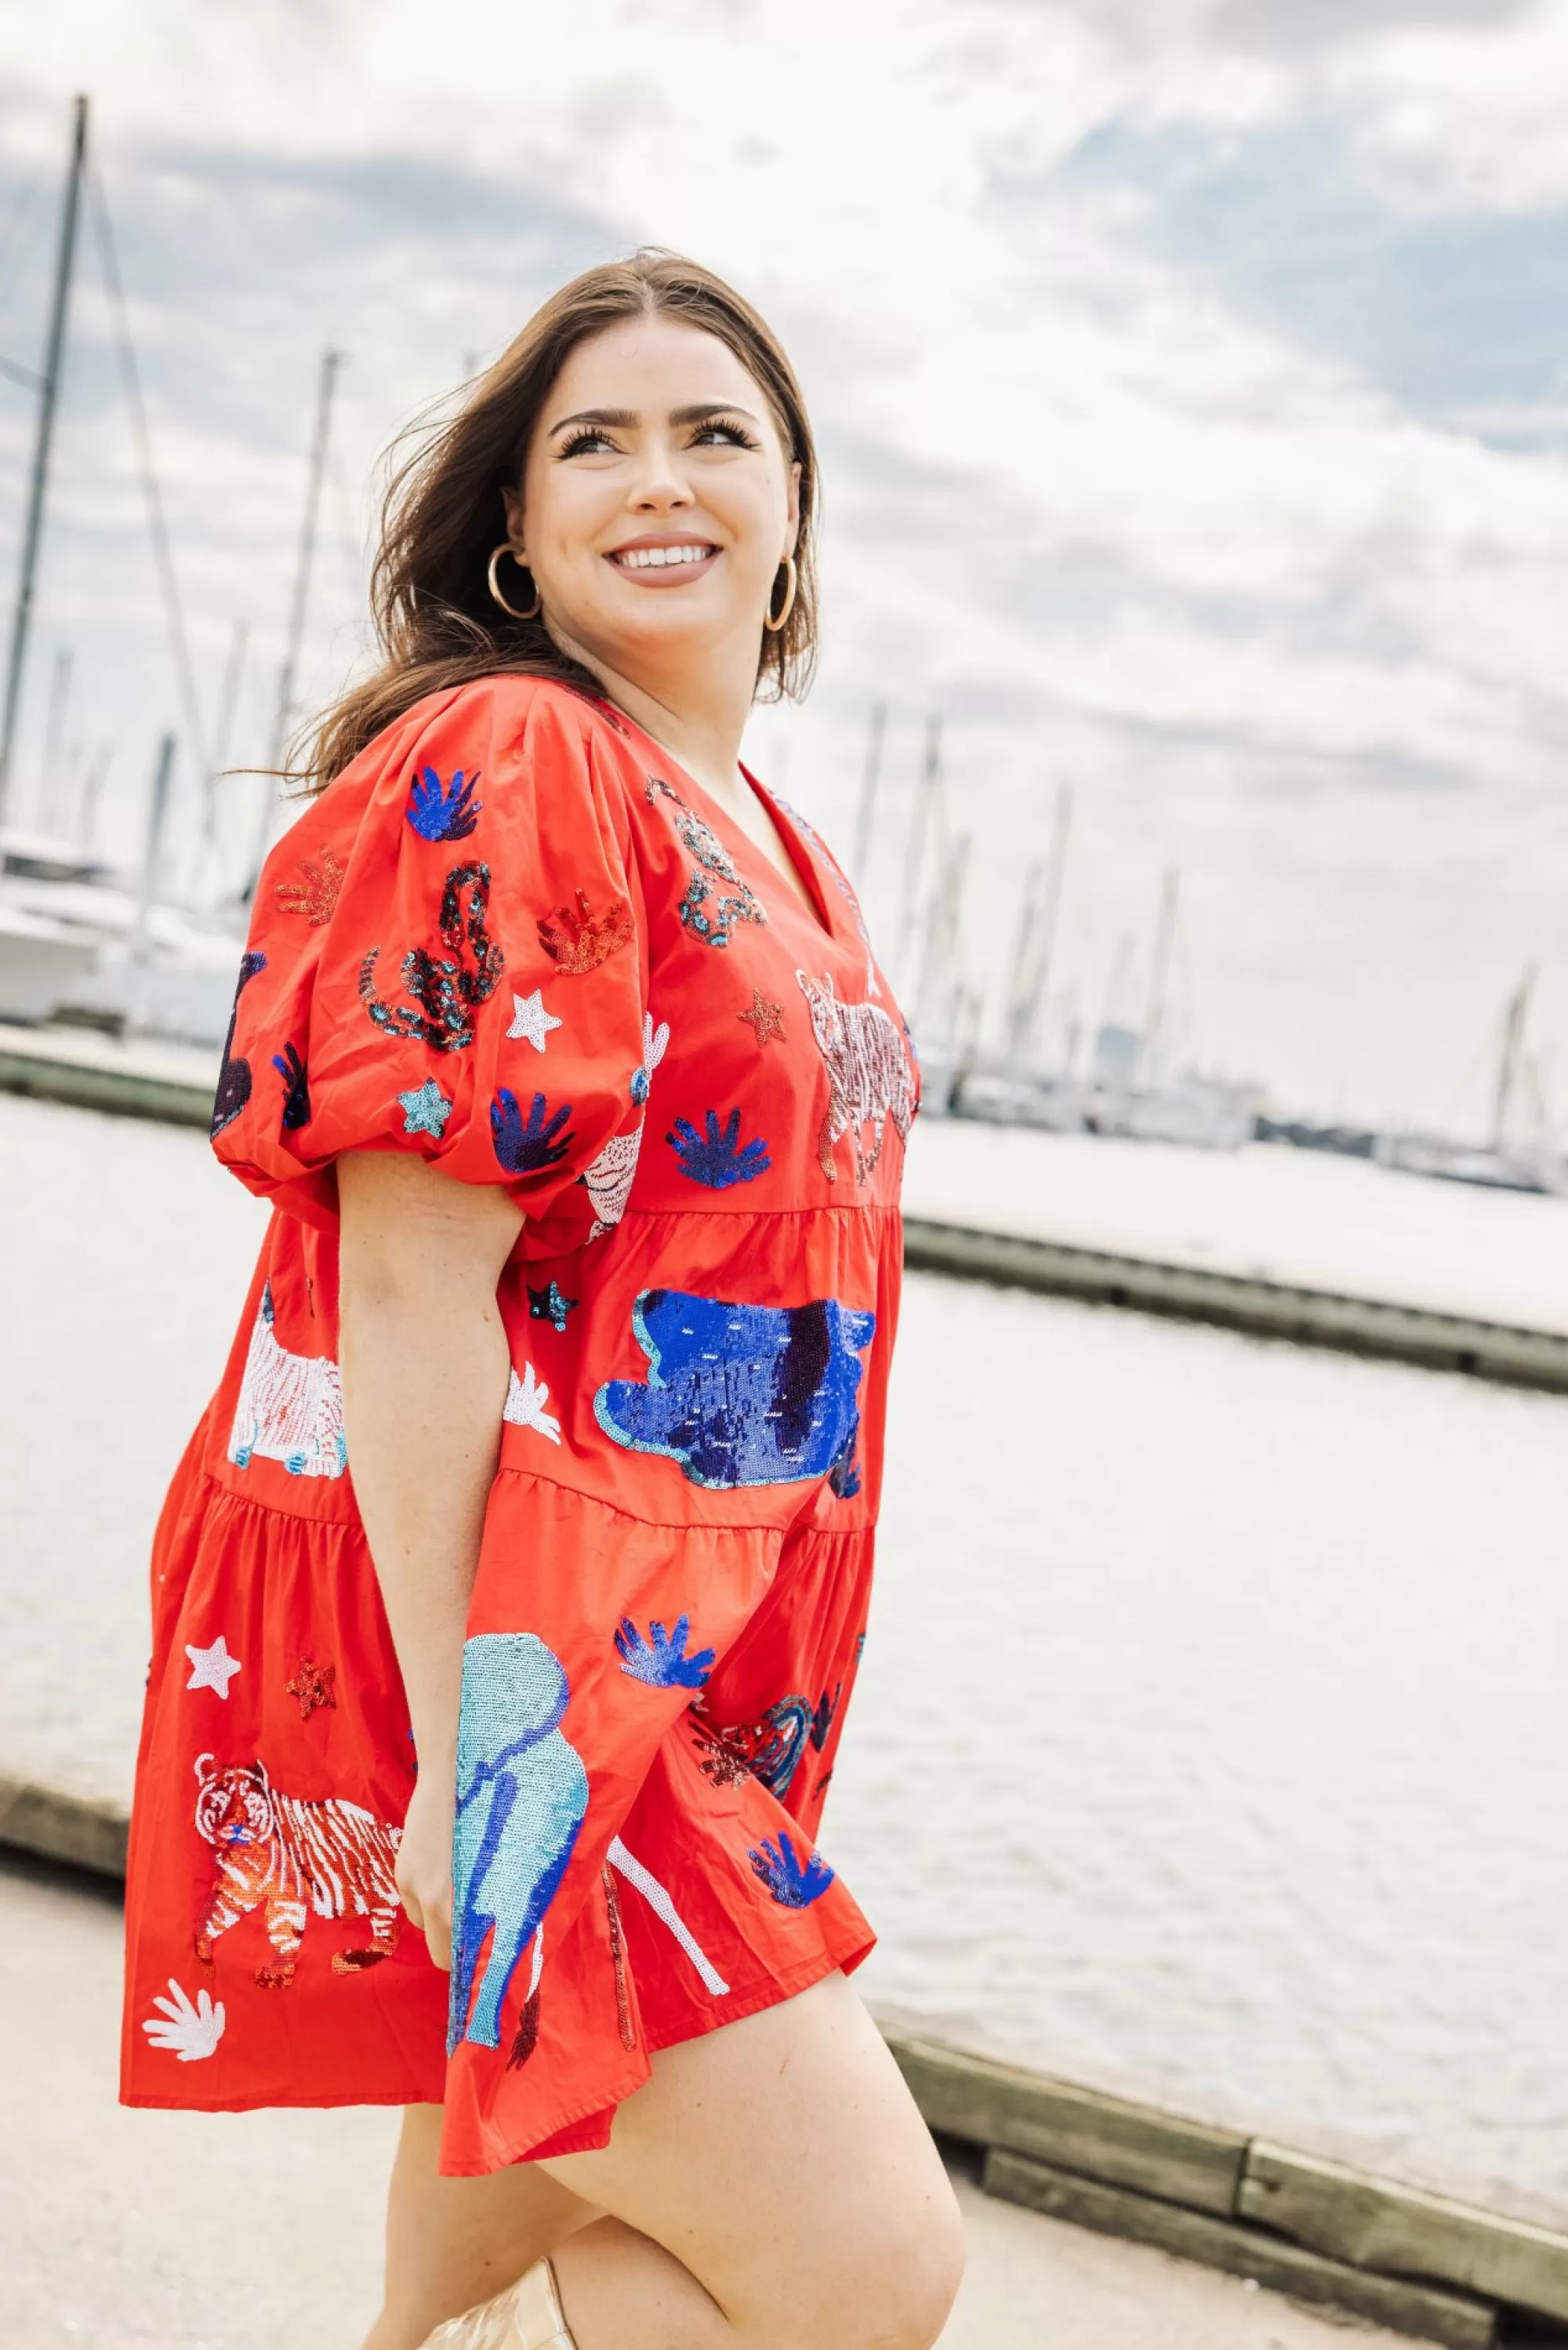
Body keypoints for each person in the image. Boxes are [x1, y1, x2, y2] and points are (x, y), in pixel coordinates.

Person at [120, 250, 961, 2350]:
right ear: (519, 520)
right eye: (594, 439)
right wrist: (455, 1762)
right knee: (863, 2268)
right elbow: (411, 1282)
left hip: (690, 1638)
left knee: (522, 2179)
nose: (656, 477)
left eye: (714, 435)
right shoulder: (515, 754)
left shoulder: (774, 836)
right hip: (516, 1650)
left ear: (790, 515)